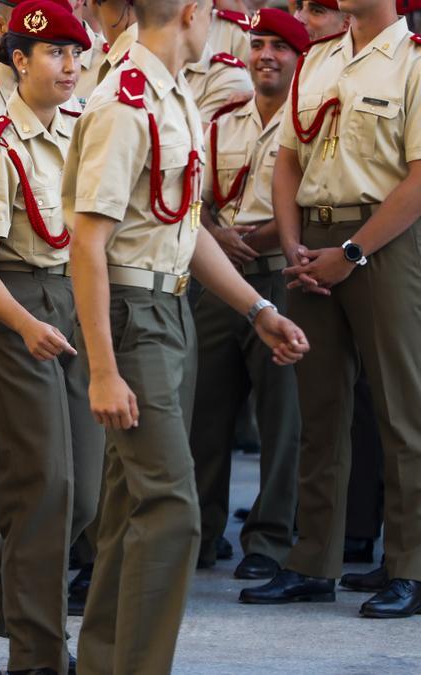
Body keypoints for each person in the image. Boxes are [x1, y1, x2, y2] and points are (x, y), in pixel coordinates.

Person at [63, 0, 309, 670]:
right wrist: (104, 369)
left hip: (168, 310)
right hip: (133, 317)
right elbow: (88, 244)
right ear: (195, 12)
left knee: (130, 510)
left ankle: (103, 662)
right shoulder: (124, 99)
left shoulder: (170, 96)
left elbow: (185, 226)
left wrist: (257, 307)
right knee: (173, 507)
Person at [239, 0, 421, 620]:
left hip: (382, 242)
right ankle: (313, 560)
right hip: (311, 243)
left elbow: (420, 178)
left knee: (401, 410)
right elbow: (289, 157)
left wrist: (351, 252)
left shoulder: (413, 62)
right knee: (319, 407)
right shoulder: (318, 58)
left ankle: (411, 566)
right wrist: (291, 241)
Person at [0, 4, 100, 673]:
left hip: (69, 299)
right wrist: (26, 323)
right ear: (19, 60)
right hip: (13, 306)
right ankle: (37, 654)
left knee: (84, 490)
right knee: (42, 483)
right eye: (54, 53)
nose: (70, 66)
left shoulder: (86, 127)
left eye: (76, 53)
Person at [189, 7, 308, 579]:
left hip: (282, 276)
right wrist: (218, 235)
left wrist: (259, 237)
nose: (265, 54)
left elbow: (310, 200)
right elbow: (200, 199)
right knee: (205, 411)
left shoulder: (311, 122)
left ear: (299, 57)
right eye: (258, 43)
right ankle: (203, 531)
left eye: (280, 47)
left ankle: (270, 539)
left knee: (281, 416)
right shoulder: (222, 123)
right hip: (222, 276)